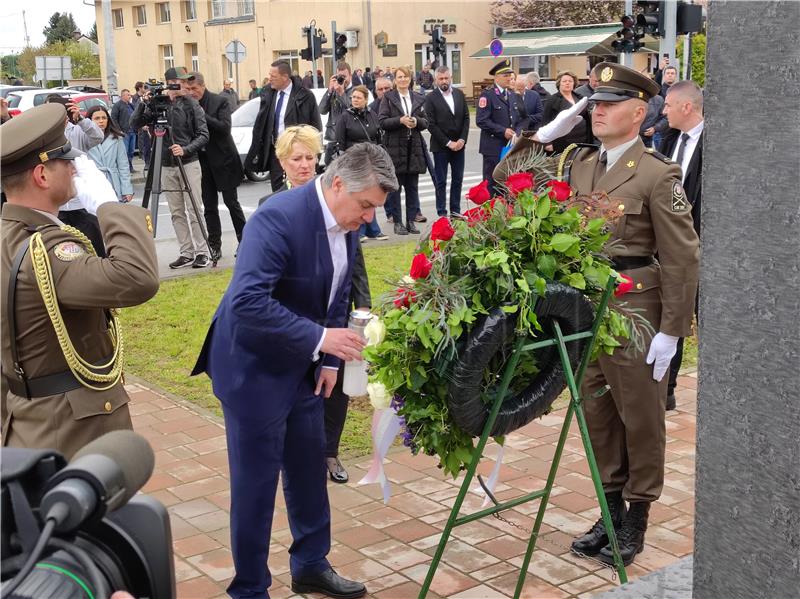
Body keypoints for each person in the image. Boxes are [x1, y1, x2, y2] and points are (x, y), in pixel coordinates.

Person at [494, 62, 699, 568]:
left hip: (636, 310)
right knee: (598, 414)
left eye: (608, 103)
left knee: (641, 418)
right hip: (587, 310)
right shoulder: (577, 163)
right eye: (593, 102)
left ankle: (637, 519)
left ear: (638, 111)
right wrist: (542, 135)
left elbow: (682, 257)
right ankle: (608, 510)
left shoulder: (657, 173)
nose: (597, 109)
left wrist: (672, 331)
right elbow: (504, 179)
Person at [191, 143, 398, 599]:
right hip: (253, 370)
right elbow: (247, 303)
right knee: (256, 485)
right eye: (366, 206)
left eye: (375, 210)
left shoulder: (347, 222)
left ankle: (310, 565)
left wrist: (326, 360)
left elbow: (338, 293)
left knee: (308, 471)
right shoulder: (278, 217)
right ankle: (249, 588)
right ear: (339, 183)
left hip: (305, 368)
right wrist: (322, 341)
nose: (368, 219)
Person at [0, 103, 159, 460]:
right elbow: (137, 278)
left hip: (27, 424)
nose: (75, 168)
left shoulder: (8, 235)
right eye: (66, 161)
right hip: (73, 434)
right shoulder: (48, 248)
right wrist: (109, 204)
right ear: (42, 175)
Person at [132, 66, 211, 269]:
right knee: (176, 212)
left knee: (194, 209)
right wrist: (144, 102)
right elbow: (134, 124)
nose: (184, 86)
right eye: (180, 82)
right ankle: (186, 252)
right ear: (170, 83)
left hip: (189, 162)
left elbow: (203, 134)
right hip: (166, 164)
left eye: (185, 82)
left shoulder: (192, 105)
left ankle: (202, 252)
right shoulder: (158, 105)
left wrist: (185, 149)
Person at [660, 80, 704, 410]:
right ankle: (667, 389)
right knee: (671, 314)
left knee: (698, 315)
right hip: (669, 247)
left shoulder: (713, 143)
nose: (663, 111)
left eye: (668, 105)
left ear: (686, 107)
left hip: (699, 249)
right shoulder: (671, 138)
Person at [185, 72, 247, 264]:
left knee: (231, 203)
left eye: (194, 88)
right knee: (209, 206)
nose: (192, 92)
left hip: (224, 160)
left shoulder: (219, 101)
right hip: (202, 162)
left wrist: (202, 115)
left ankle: (244, 242)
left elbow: (224, 128)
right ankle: (214, 245)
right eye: (189, 89)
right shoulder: (187, 105)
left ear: (203, 86)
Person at [246, 60, 322, 193]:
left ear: (285, 77)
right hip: (276, 154)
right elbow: (262, 124)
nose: (269, 79)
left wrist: (315, 155)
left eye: (273, 76)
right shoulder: (268, 93)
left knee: (299, 190)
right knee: (278, 192)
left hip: (297, 152)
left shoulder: (305, 96)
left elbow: (315, 127)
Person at [45, 94, 106, 257]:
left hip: (81, 204)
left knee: (95, 251)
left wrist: (80, 119)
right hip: (57, 206)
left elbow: (98, 137)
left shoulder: (77, 130)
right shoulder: (43, 135)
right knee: (64, 254)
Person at [379, 65, 429, 235]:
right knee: (396, 188)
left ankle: (410, 221)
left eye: (405, 77)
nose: (402, 80)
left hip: (413, 147)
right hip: (395, 147)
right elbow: (383, 122)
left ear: (410, 79)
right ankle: (398, 222)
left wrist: (416, 121)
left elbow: (425, 122)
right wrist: (400, 120)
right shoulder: (389, 98)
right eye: (399, 77)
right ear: (395, 80)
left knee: (412, 188)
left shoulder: (417, 98)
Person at [335, 86, 387, 241]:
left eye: (358, 97)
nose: (355, 100)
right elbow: (340, 143)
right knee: (358, 196)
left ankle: (374, 230)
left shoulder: (372, 115)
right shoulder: (345, 116)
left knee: (370, 195)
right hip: (353, 162)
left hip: (370, 161)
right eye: (353, 97)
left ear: (366, 99)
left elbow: (379, 138)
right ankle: (360, 230)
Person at [476, 59, 530, 197]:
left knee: (508, 182)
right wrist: (502, 131)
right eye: (505, 76)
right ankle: (493, 212)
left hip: (510, 146)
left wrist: (518, 133)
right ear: (496, 77)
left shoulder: (512, 95)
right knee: (492, 182)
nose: (509, 79)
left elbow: (522, 118)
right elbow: (482, 120)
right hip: (493, 147)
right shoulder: (488, 95)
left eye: (510, 75)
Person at [424, 66, 470, 218]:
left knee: (458, 179)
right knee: (441, 181)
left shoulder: (459, 94)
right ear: (436, 80)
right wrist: (448, 142)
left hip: (460, 146)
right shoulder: (430, 98)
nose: (444, 81)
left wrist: (462, 139)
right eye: (441, 79)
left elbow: (466, 118)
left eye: (446, 78)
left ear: (451, 78)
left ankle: (455, 211)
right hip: (441, 146)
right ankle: (442, 212)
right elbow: (431, 124)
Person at [85, 105, 133, 202]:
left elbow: (123, 165)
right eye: (97, 118)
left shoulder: (116, 138)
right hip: (92, 184)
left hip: (113, 182)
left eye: (104, 118)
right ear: (89, 120)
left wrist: (127, 189)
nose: (101, 121)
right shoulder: (84, 137)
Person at [542, 70, 589, 154]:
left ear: (574, 83)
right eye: (564, 81)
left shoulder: (580, 98)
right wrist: (547, 143)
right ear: (559, 83)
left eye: (570, 81)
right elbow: (545, 121)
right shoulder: (552, 100)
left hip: (582, 140)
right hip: (561, 142)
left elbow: (588, 118)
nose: (567, 83)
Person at [319, 62, 354, 165]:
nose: (342, 79)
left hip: (350, 140)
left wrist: (342, 93)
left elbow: (353, 111)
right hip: (333, 139)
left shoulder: (356, 91)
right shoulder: (333, 91)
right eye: (339, 76)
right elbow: (322, 110)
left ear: (350, 76)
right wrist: (329, 91)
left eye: (344, 76)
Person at [110, 89, 136, 172]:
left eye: (130, 94)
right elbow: (113, 119)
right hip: (124, 133)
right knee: (124, 151)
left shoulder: (131, 105)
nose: (130, 96)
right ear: (123, 96)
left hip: (132, 131)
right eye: (128, 95)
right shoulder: (117, 106)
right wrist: (119, 131)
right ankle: (125, 168)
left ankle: (130, 166)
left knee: (131, 151)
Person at [132, 81, 152, 169]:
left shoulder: (148, 98)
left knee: (150, 145)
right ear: (140, 88)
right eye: (144, 87)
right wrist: (142, 125)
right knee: (145, 146)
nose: (146, 89)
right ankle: (147, 163)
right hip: (143, 125)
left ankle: (150, 162)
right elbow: (136, 113)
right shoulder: (136, 99)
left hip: (149, 125)